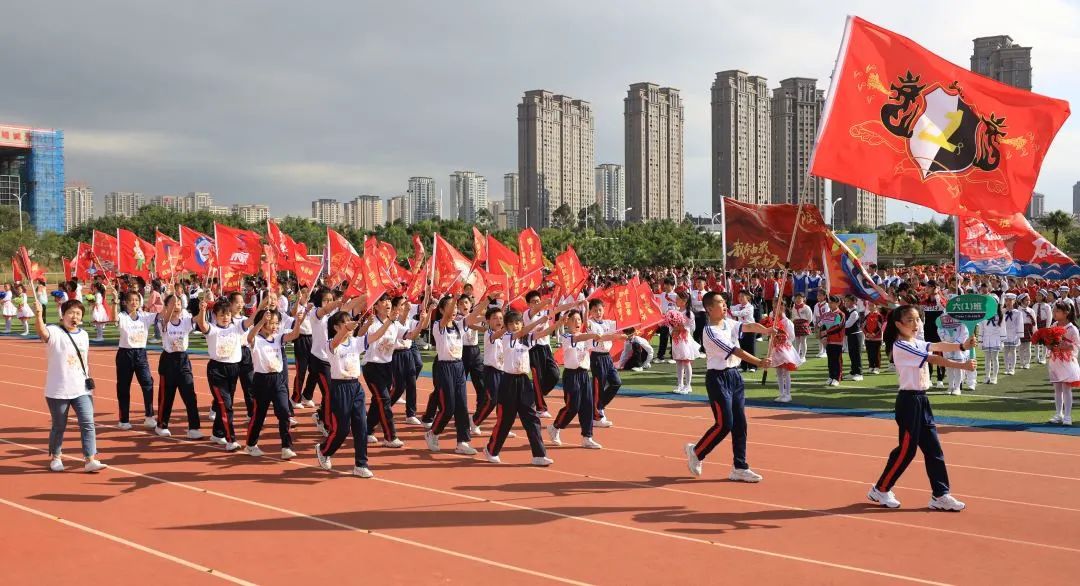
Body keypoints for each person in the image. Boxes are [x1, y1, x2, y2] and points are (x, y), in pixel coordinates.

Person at [867, 305, 976, 511]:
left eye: (917, 319)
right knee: (906, 451)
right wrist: (962, 366)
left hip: (922, 400)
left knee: (934, 449)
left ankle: (940, 494)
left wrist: (962, 346)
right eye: (910, 320)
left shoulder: (915, 342)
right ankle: (880, 489)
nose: (915, 324)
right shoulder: (901, 345)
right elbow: (933, 358)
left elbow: (937, 345)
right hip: (909, 402)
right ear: (898, 324)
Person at [684, 291, 771, 481]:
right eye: (720, 303)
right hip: (717, 378)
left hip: (734, 376)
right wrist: (758, 362)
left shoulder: (729, 323)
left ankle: (739, 467)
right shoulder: (710, 331)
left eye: (724, 302)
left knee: (740, 424)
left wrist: (767, 330)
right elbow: (735, 350)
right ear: (709, 309)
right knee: (725, 424)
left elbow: (749, 326)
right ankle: (697, 452)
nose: (724, 305)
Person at [33, 296, 107, 473]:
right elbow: (42, 332)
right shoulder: (54, 331)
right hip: (58, 390)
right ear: (63, 314)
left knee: (88, 422)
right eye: (71, 313)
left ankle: (90, 459)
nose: (74, 316)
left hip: (81, 389)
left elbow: (85, 361)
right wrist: (38, 315)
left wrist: (89, 380)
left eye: (78, 313)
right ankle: (56, 457)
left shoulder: (84, 335)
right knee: (59, 426)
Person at [483, 309, 564, 465]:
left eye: (517, 323)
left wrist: (559, 323)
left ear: (522, 323)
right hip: (508, 382)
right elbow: (521, 332)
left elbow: (543, 333)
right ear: (506, 326)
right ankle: (491, 450)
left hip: (524, 382)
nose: (515, 326)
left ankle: (539, 455)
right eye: (511, 323)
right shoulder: (507, 337)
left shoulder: (527, 339)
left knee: (532, 419)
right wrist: (538, 321)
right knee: (505, 420)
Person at [316, 311, 377, 478]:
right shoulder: (331, 344)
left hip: (356, 386)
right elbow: (336, 341)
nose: (350, 324)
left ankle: (361, 464)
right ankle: (324, 450)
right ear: (336, 327)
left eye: (350, 322)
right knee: (342, 429)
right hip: (340, 388)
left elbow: (374, 336)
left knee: (361, 427)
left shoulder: (355, 342)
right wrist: (346, 329)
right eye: (345, 323)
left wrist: (388, 321)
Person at [244, 300, 308, 459]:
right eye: (271, 323)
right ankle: (251, 445)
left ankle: (286, 447)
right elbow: (250, 337)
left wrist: (298, 322)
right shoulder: (256, 339)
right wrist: (261, 321)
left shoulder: (278, 337)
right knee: (259, 415)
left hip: (278, 380)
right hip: (261, 381)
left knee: (284, 412)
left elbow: (294, 335)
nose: (274, 326)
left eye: (276, 323)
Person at [194, 297, 256, 452]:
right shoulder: (213, 329)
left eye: (227, 314)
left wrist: (260, 306)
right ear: (215, 316)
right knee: (226, 405)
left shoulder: (236, 327)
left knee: (225, 405)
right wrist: (202, 310)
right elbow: (202, 324)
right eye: (221, 315)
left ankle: (217, 433)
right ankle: (231, 440)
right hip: (217, 371)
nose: (225, 317)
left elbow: (250, 321)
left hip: (233, 369)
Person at [424, 296, 480, 455]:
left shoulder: (459, 325)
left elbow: (475, 314)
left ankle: (463, 442)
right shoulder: (438, 326)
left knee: (462, 406)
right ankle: (433, 433)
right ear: (441, 310)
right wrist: (454, 298)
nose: (454, 309)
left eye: (455, 307)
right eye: (450, 307)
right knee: (448, 408)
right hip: (444, 368)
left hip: (458, 366)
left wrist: (489, 299)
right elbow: (447, 315)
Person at [547, 309, 602, 449]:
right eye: (573, 320)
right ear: (567, 323)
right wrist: (592, 335)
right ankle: (555, 427)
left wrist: (617, 336)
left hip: (584, 375)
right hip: (571, 375)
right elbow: (578, 338)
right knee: (573, 406)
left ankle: (587, 437)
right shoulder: (566, 337)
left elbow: (598, 339)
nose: (577, 322)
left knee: (587, 406)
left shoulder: (585, 337)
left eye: (579, 320)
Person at [154, 294, 202, 439]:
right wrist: (172, 304)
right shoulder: (163, 321)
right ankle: (161, 425)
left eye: (179, 304)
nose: (176, 307)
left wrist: (203, 308)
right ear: (166, 306)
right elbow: (166, 320)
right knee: (167, 396)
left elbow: (198, 319)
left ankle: (194, 428)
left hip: (183, 360)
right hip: (168, 361)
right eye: (173, 304)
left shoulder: (186, 321)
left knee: (190, 395)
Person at [362, 295, 407, 448]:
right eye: (383, 301)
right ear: (375, 306)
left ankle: (367, 430)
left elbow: (411, 335)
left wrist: (423, 320)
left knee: (378, 400)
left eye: (388, 300)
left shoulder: (395, 323)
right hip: (372, 366)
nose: (387, 303)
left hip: (387, 366)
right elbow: (367, 336)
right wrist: (389, 321)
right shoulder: (372, 323)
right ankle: (390, 437)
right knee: (384, 399)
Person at [111, 284, 158, 430]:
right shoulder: (122, 316)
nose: (134, 302)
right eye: (131, 300)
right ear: (125, 302)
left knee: (148, 383)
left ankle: (149, 416)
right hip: (125, 354)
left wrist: (166, 296)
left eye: (136, 300)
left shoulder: (145, 316)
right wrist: (114, 302)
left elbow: (162, 314)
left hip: (141, 354)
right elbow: (114, 318)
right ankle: (124, 420)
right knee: (123, 387)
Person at [588, 298, 625, 428]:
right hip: (597, 357)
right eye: (595, 310)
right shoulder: (590, 324)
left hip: (607, 357)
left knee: (616, 382)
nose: (598, 313)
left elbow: (623, 324)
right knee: (598, 387)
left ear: (603, 310)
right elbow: (599, 338)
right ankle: (596, 416)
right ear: (590, 312)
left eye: (600, 310)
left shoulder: (608, 323)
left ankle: (598, 407)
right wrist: (616, 337)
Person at [1046, 300, 1078, 426]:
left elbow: (1076, 346)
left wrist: (1065, 346)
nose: (1054, 313)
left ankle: (1068, 416)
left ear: (1066, 313)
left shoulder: (1072, 329)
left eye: (1057, 311)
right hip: (1055, 361)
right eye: (1054, 310)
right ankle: (1058, 414)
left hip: (1067, 361)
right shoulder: (1053, 326)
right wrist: (1048, 344)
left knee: (1066, 388)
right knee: (1057, 389)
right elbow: (1049, 344)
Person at [768, 299, 802, 403]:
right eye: (774, 307)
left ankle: (788, 394)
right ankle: (781, 393)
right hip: (776, 348)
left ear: (783, 307)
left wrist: (782, 340)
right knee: (778, 372)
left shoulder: (787, 322)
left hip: (784, 349)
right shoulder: (772, 320)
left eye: (777, 307)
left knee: (785, 372)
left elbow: (791, 337)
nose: (775, 309)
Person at [937, 315, 974, 396]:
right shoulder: (943, 316)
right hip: (947, 346)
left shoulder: (960, 316)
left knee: (958, 367)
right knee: (949, 367)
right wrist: (945, 340)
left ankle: (957, 387)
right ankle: (950, 386)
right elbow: (940, 328)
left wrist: (956, 344)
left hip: (959, 347)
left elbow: (964, 333)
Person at [671, 290, 697, 395]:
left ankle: (688, 385)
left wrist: (683, 328)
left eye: (678, 299)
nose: (676, 300)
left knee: (686, 361)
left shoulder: (689, 313)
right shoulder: (674, 312)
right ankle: (680, 384)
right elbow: (670, 325)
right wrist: (673, 330)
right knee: (678, 361)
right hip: (676, 339)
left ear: (684, 301)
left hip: (685, 340)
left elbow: (692, 328)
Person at [821, 296, 845, 386]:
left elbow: (838, 326)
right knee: (830, 360)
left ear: (837, 303)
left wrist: (826, 332)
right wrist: (823, 337)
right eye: (829, 303)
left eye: (832, 302)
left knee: (837, 360)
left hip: (837, 340)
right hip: (828, 340)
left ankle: (837, 378)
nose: (830, 304)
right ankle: (831, 376)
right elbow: (824, 325)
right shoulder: (827, 314)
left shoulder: (840, 314)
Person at [1001, 293, 1023, 376]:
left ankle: (1012, 368)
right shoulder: (1002, 311)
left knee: (1013, 351)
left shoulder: (1018, 313)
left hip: (1014, 334)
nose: (1008, 302)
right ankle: (1007, 368)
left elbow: (1020, 325)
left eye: (1010, 300)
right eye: (1006, 300)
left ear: (1014, 301)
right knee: (1006, 351)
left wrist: (1019, 336)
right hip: (1004, 334)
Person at [980, 309, 1003, 385]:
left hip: (996, 339)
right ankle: (987, 376)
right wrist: (980, 340)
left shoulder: (999, 315)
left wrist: (1002, 341)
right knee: (987, 359)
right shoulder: (984, 314)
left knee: (995, 358)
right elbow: (981, 328)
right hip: (986, 339)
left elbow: (1002, 328)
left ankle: (994, 377)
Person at [790, 293, 813, 361]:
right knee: (797, 341)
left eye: (800, 298)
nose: (798, 300)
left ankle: (803, 356)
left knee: (803, 340)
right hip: (796, 324)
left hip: (803, 325)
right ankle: (797, 355)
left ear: (803, 299)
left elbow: (810, 317)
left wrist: (806, 324)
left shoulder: (806, 307)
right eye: (796, 298)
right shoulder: (794, 307)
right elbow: (793, 316)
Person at [864, 305, 886, 375]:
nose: (870, 307)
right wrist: (867, 333)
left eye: (872, 306)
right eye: (869, 306)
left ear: (876, 306)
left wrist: (873, 334)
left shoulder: (879, 316)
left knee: (876, 353)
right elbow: (863, 325)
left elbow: (880, 326)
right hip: (868, 338)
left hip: (877, 338)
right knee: (869, 353)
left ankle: (877, 367)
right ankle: (871, 366)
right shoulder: (867, 316)